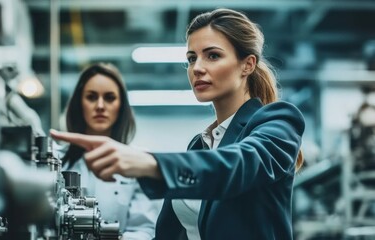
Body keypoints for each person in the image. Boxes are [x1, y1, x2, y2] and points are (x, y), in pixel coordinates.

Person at [51, 8, 305, 240]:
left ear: (247, 64)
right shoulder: (199, 145)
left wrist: (150, 163)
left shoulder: (279, 121)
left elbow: (236, 165)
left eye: (213, 56)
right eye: (192, 58)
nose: (197, 68)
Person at [54, 63, 158, 239]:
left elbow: (146, 229)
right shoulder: (57, 160)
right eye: (91, 97)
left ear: (121, 106)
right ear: (80, 104)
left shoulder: (139, 161)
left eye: (109, 98)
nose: (100, 105)